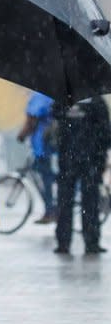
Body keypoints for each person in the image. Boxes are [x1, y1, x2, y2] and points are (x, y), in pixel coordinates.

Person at [53, 96, 111, 255]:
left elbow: (56, 117)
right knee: (89, 203)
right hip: (89, 160)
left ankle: (64, 242)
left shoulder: (64, 100)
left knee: (66, 202)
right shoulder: (97, 102)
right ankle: (91, 242)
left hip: (70, 160)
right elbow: (106, 132)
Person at [17, 91, 58, 223]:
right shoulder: (51, 95)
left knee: (46, 177)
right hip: (49, 146)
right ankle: (52, 207)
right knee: (46, 175)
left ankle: (50, 210)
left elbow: (32, 119)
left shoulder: (40, 95)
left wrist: (22, 135)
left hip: (42, 145)